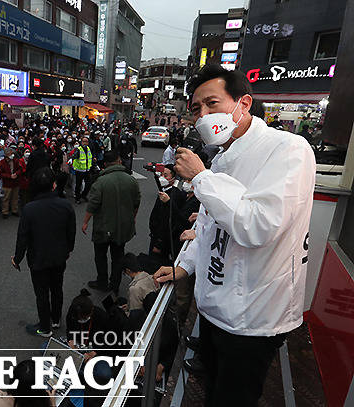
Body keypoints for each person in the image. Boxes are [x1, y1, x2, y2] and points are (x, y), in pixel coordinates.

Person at [154, 64, 316, 406]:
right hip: (214, 308)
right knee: (210, 388)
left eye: (213, 103)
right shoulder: (223, 157)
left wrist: (200, 178)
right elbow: (211, 224)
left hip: (253, 318)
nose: (203, 115)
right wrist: (185, 266)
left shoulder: (288, 149)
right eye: (197, 109)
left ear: (243, 103)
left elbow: (259, 225)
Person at [12, 167, 76, 337]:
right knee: (57, 288)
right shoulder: (65, 205)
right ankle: (56, 319)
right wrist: (68, 250)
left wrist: (17, 258)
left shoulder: (29, 208)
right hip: (59, 256)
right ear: (54, 185)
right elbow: (71, 232)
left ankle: (45, 327)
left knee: (41, 293)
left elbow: (22, 237)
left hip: (38, 258)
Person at [83, 151, 141, 295]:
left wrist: (85, 222)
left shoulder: (101, 181)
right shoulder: (131, 180)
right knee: (118, 255)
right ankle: (115, 283)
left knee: (100, 255)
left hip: (103, 227)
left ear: (105, 164)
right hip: (123, 227)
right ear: (119, 161)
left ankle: (102, 281)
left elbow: (93, 204)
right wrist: (132, 218)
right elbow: (136, 202)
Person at [0, 148, 21, 219]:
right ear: (6, 155)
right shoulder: (1, 163)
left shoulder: (15, 161)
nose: (12, 155)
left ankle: (14, 210)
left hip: (15, 183)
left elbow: (20, 169)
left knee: (15, 198)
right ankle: (5, 212)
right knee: (6, 198)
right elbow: (0, 173)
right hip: (7, 183)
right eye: (11, 154)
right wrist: (9, 176)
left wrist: (16, 174)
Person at [71, 136, 94, 204]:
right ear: (81, 142)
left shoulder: (88, 148)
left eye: (86, 141)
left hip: (87, 170)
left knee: (88, 184)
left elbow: (90, 158)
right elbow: (74, 156)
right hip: (80, 170)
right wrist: (71, 159)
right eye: (83, 141)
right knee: (78, 185)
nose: (85, 143)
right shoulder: (79, 149)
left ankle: (83, 195)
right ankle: (77, 198)